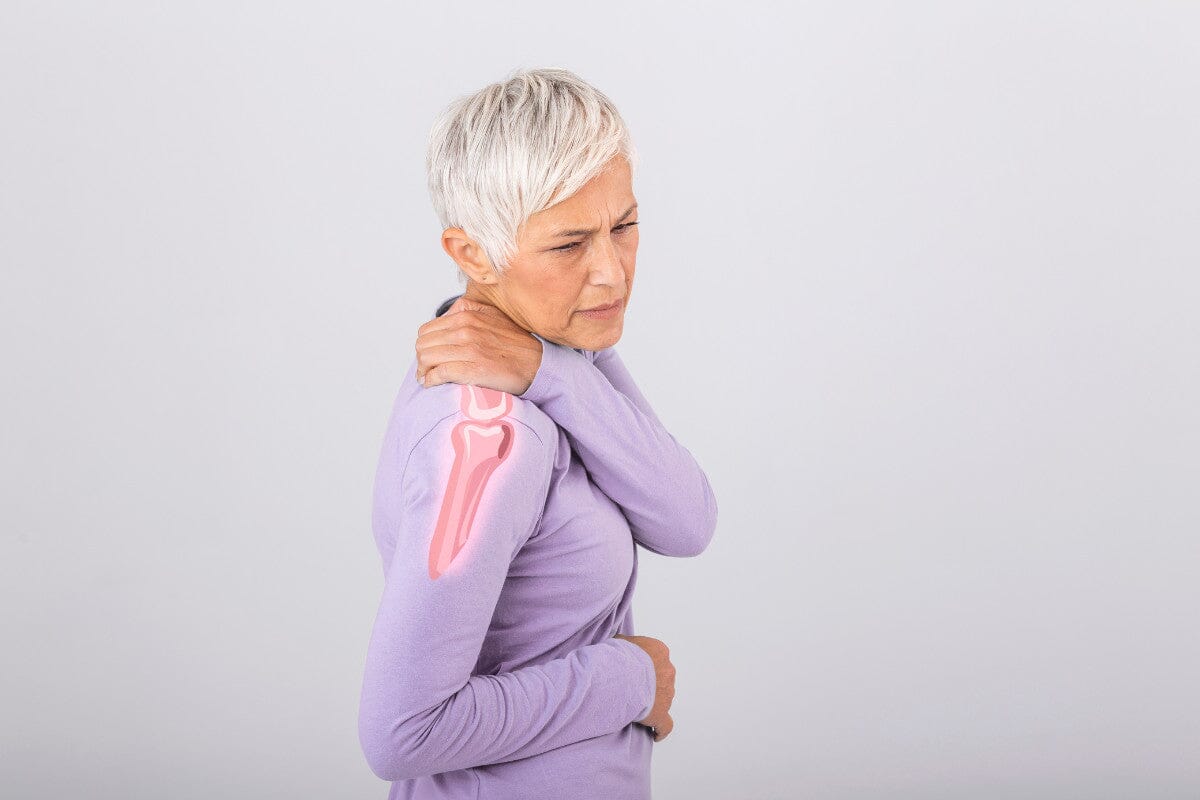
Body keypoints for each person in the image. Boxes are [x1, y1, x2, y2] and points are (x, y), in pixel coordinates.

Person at [357, 67, 718, 800]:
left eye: (625, 226)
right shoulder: (484, 443)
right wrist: (632, 678)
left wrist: (549, 371)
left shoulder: (561, 357)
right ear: (470, 255)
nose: (611, 273)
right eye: (568, 245)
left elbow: (687, 521)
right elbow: (403, 732)